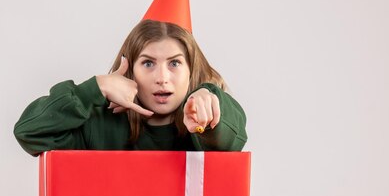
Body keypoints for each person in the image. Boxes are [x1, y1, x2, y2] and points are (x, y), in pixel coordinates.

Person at [13, 19, 246, 156]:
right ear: (130, 70)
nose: (162, 78)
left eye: (174, 63)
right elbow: (30, 132)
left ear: (191, 71)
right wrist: (94, 88)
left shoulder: (203, 130)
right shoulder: (100, 126)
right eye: (148, 63)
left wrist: (209, 100)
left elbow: (230, 138)